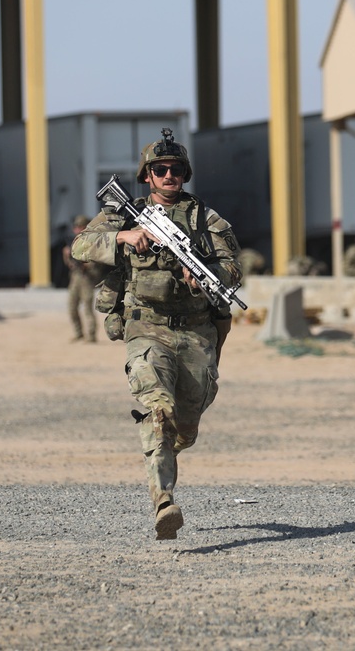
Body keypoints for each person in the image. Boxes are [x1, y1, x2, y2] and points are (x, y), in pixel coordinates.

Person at [71, 128, 242, 540]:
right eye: (160, 169)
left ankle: (164, 449)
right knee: (157, 410)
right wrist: (123, 237)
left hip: (196, 333)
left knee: (185, 426)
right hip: (147, 328)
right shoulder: (126, 214)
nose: (169, 176)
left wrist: (205, 275)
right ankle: (164, 502)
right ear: (147, 176)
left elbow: (233, 269)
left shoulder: (207, 220)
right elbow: (81, 246)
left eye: (176, 170)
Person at [63, 214, 101, 342]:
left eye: (80, 227)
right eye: (76, 227)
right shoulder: (75, 243)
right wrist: (68, 255)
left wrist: (85, 263)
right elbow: (70, 265)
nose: (77, 229)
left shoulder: (93, 242)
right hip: (75, 277)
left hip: (87, 279)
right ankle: (79, 333)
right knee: (72, 307)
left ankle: (91, 335)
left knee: (88, 308)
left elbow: (94, 264)